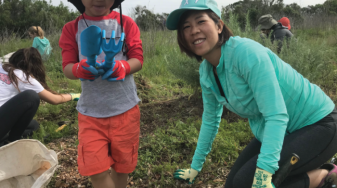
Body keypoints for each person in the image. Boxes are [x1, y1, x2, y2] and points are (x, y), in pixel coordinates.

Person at [166, 0, 337, 188]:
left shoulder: (246, 53)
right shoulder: (206, 73)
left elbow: (276, 115)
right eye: (186, 27)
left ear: (219, 26)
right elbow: (210, 120)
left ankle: (325, 175)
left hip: (318, 124)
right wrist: (195, 167)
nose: (194, 30)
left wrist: (265, 171)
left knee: (248, 182)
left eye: (200, 21)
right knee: (233, 185)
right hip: (283, 131)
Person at [59, 0, 143, 187]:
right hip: (91, 113)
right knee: (95, 170)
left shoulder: (126, 23)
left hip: (125, 110)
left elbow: (137, 58)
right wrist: (79, 69)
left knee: (122, 169)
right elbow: (67, 67)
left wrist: (124, 66)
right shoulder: (72, 28)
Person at [0, 47, 80, 146]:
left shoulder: (1, 67)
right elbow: (55, 99)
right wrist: (74, 95)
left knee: (33, 125)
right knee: (31, 97)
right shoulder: (24, 77)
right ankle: (10, 143)